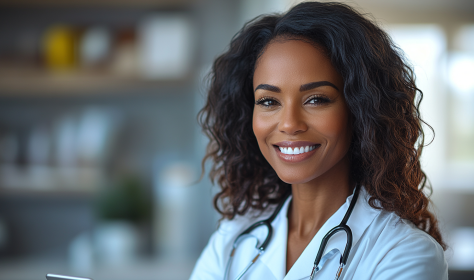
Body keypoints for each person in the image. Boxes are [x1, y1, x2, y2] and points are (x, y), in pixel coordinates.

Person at [190, 1, 448, 279]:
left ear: (359, 110)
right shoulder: (233, 239)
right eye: (268, 101)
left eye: (316, 99)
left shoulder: (403, 254)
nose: (289, 124)